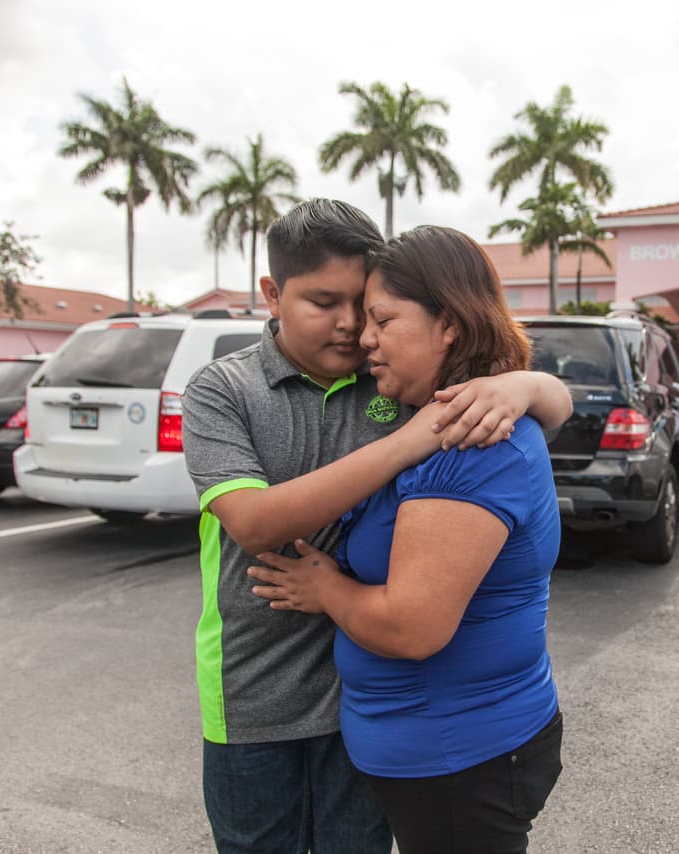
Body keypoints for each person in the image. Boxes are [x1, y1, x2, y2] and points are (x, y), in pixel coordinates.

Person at [181, 200, 572, 854]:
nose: (351, 328)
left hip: (354, 712)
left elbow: (541, 407)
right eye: (322, 302)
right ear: (272, 295)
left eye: (365, 309)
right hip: (253, 698)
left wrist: (525, 387)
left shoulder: (386, 377)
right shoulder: (224, 391)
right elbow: (251, 522)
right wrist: (409, 440)